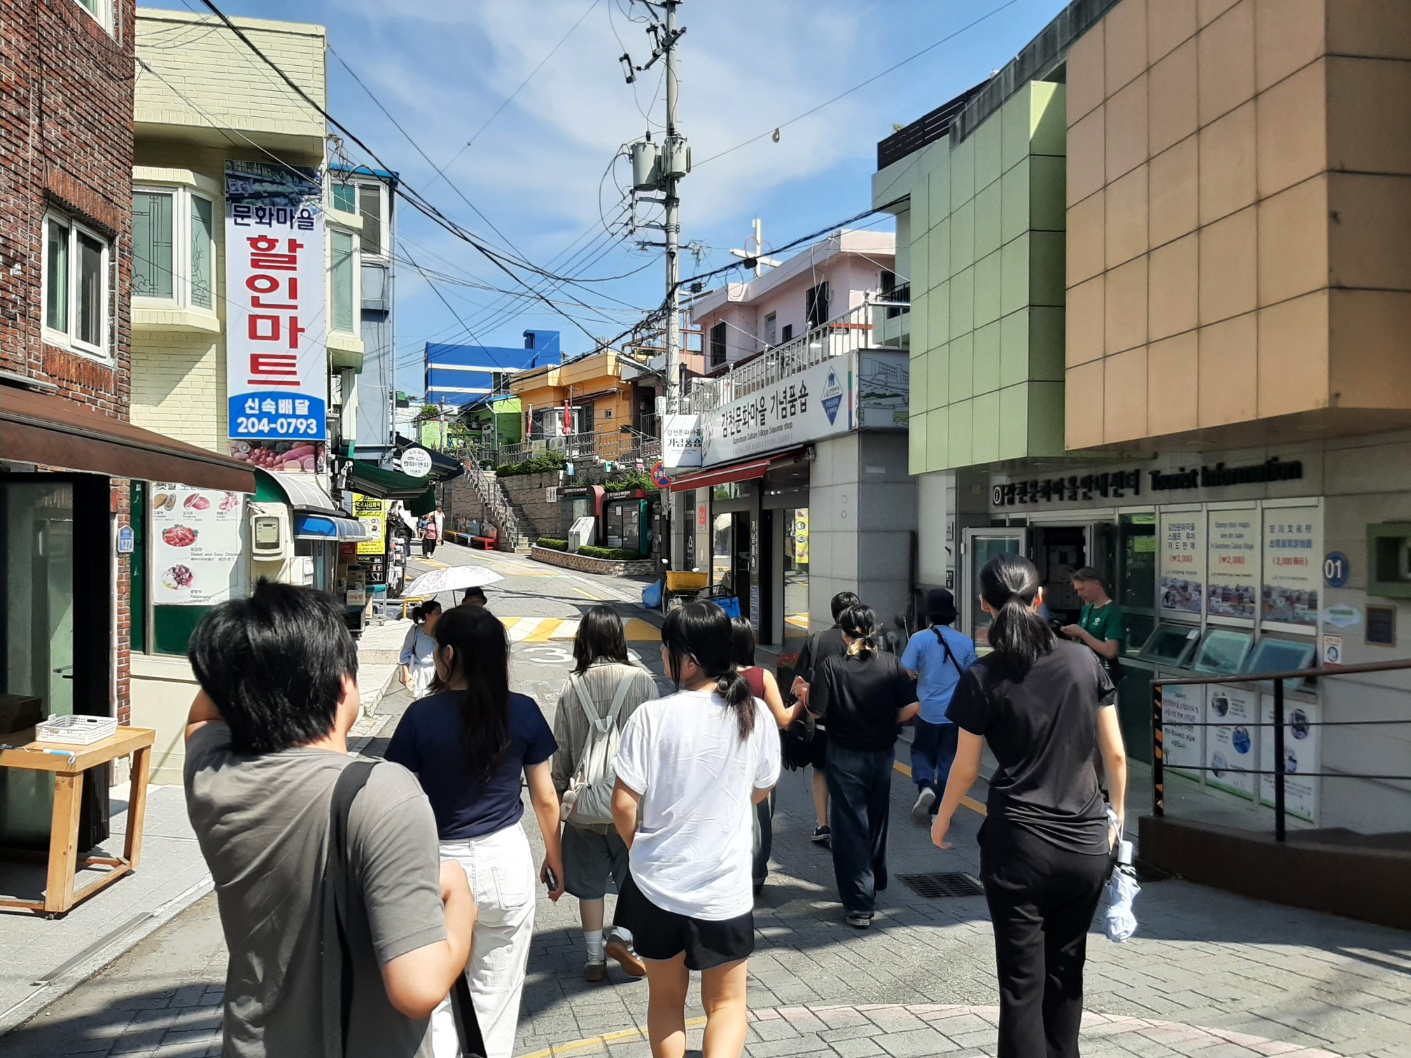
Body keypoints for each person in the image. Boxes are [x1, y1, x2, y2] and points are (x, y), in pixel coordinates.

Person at [183, 582, 475, 1058]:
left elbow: (203, 716)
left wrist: (254, 658)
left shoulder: (212, 777)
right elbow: (419, 988)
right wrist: (460, 899)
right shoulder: (384, 792)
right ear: (343, 686)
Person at [931, 553, 1128, 1058]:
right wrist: (1117, 819)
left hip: (1018, 844)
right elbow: (1115, 755)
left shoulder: (983, 675)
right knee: (1067, 971)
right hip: (1085, 843)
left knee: (1022, 986)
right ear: (1039, 598)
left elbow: (966, 769)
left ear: (984, 604)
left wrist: (943, 817)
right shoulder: (1084, 662)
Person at [386, 606, 566, 1058]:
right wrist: (555, 857)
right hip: (504, 861)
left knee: (437, 999)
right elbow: (546, 798)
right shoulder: (522, 710)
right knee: (496, 997)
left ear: (448, 654)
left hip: (435, 866)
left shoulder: (420, 717)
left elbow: (394, 799)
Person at [611, 601, 780, 1058]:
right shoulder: (755, 714)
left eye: (667, 649)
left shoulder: (651, 717)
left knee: (666, 1000)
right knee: (726, 1004)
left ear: (686, 660)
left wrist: (639, 846)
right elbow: (762, 787)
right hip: (723, 889)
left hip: (657, 884)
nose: (663, 656)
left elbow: (623, 804)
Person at [551, 606, 659, 982]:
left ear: (583, 640)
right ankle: (624, 937)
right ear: (619, 638)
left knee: (590, 885)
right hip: (632, 802)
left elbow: (562, 749)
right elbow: (655, 745)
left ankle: (594, 959)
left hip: (585, 802)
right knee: (636, 877)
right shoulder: (643, 682)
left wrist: (561, 792)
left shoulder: (572, 685)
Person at [808, 604, 920, 928]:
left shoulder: (832, 666)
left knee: (850, 825)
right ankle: (874, 878)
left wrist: (804, 694)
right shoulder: (891, 663)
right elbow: (913, 706)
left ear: (844, 635)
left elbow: (816, 712)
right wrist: (889, 720)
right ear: (873, 630)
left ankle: (859, 905)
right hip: (882, 752)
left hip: (844, 752)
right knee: (876, 816)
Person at [731, 617, 803, 896]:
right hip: (757, 760)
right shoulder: (762, 677)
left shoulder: (716, 678)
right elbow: (783, 719)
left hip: (726, 760)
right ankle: (756, 873)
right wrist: (801, 702)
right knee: (760, 817)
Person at [788, 590, 861, 845]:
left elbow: (797, 682)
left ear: (832, 613)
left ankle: (823, 824)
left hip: (820, 720)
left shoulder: (817, 640)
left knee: (821, 769)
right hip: (855, 722)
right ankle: (848, 825)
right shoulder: (864, 644)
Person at [901, 588, 978, 822]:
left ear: (929, 613)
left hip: (926, 710)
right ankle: (940, 809)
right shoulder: (965, 641)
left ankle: (926, 785)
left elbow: (906, 671)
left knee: (921, 751)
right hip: (954, 712)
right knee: (948, 758)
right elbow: (973, 674)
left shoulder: (919, 638)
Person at [1062, 566, 1124, 678]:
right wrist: (1073, 634)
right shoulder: (1087, 609)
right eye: (1077, 590)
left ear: (1096, 584)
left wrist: (1081, 632)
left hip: (1101, 672)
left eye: (1082, 589)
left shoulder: (1112, 612)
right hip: (1084, 668)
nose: (1079, 594)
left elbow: (1110, 652)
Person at [400, 600, 443, 698]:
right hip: (420, 676)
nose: (441, 615)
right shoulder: (415, 631)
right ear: (427, 616)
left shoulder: (442, 632)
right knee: (422, 704)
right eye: (437, 613)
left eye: (441, 612)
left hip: (438, 674)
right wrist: (406, 675)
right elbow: (404, 656)